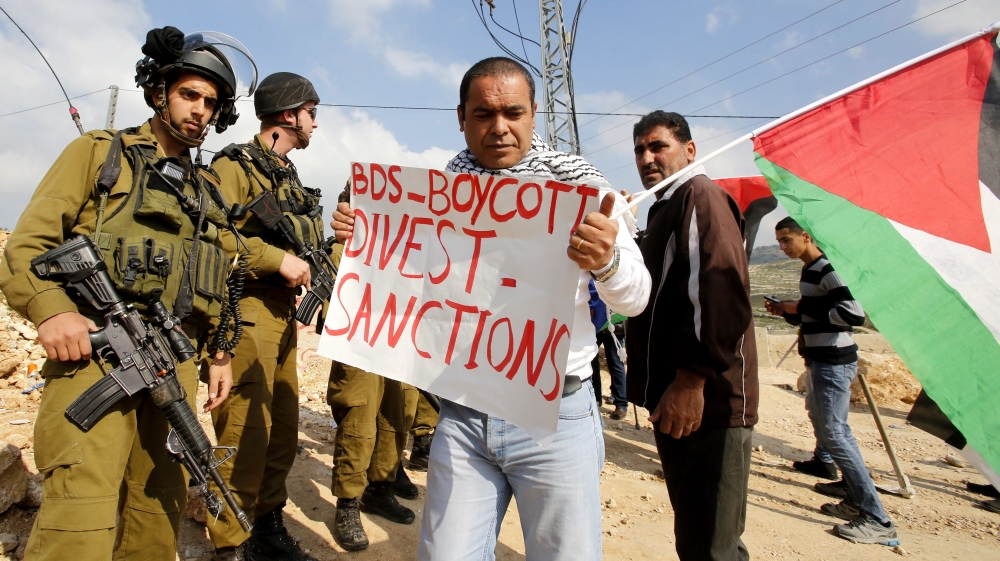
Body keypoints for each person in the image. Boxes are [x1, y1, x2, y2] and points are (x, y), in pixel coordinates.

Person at [330, 57, 651, 560]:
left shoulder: (586, 194)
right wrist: (365, 235)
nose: (499, 127)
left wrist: (607, 262)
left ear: (534, 114)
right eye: (483, 114)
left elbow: (636, 297)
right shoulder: (437, 198)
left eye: (513, 113)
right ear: (461, 118)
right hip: (463, 417)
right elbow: (406, 280)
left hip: (555, 420)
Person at [0, 27, 255, 561]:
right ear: (160, 92)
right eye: (189, 94)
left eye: (211, 103)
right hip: (97, 357)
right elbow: (27, 245)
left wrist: (220, 354)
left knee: (156, 514)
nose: (199, 110)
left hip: (171, 366)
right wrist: (52, 313)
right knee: (80, 517)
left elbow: (217, 279)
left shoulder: (205, 192)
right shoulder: (101, 154)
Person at [625, 110, 758, 561]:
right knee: (705, 535)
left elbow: (718, 293)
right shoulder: (668, 204)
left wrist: (691, 380)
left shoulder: (699, 195)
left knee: (709, 546)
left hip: (707, 403)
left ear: (689, 149)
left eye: (657, 146)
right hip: (680, 399)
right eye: (639, 150)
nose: (647, 158)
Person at [206, 72, 325, 561]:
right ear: (288, 114)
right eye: (311, 113)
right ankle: (229, 543)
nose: (315, 124)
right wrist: (276, 259)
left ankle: (266, 526)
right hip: (246, 308)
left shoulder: (289, 176)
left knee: (281, 428)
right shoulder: (233, 164)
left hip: (281, 312)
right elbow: (211, 234)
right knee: (244, 431)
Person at [767, 217, 900, 546]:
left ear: (805, 236)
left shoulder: (828, 268)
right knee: (833, 430)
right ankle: (853, 493)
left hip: (833, 362)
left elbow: (853, 314)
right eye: (779, 241)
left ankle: (877, 517)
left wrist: (801, 307)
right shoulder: (809, 270)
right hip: (821, 360)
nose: (783, 247)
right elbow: (817, 313)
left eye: (786, 240)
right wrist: (788, 311)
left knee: (834, 434)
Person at [325, 185, 417, 552]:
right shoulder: (342, 250)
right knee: (358, 423)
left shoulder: (405, 250)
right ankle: (348, 502)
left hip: (397, 343)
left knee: (397, 416)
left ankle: (380, 488)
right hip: (358, 347)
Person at [588, 280, 629, 419]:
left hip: (614, 319)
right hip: (594, 318)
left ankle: (621, 402)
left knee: (615, 362)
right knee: (591, 360)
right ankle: (596, 398)